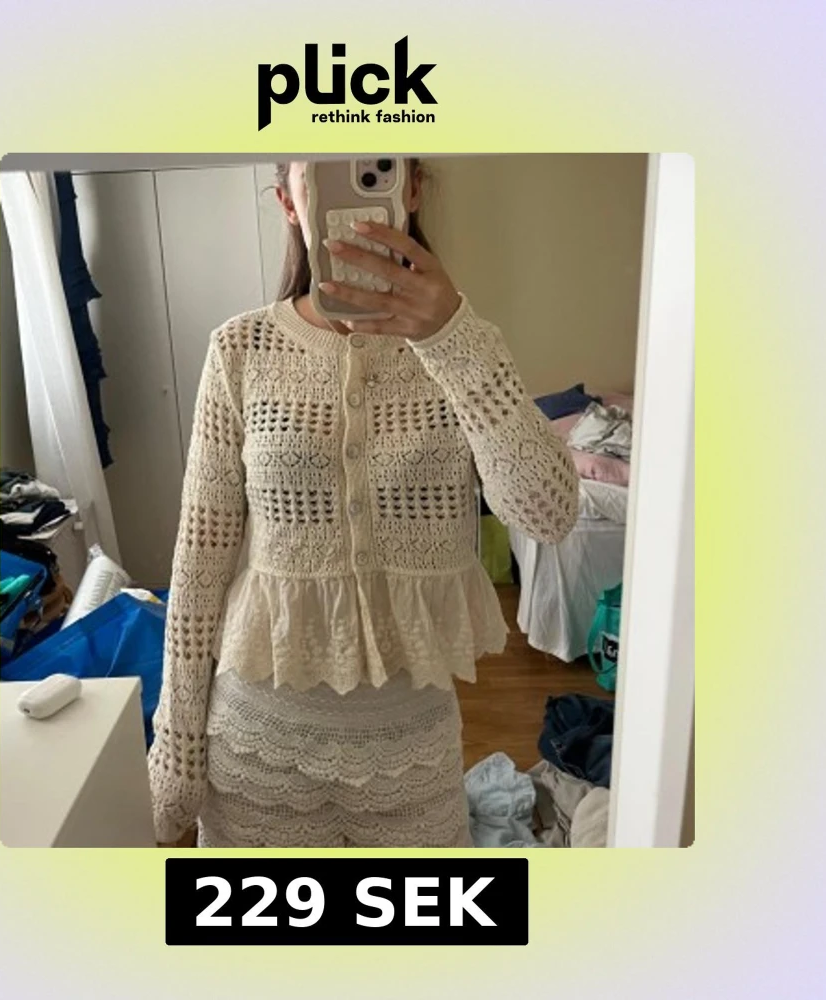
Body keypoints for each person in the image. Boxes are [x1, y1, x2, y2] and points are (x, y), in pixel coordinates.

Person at [146, 159, 580, 847]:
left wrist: (451, 337)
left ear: (411, 189)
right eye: (322, 171)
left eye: (376, 164)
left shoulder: (466, 348)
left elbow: (548, 513)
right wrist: (177, 745)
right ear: (289, 201)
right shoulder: (240, 348)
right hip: (257, 751)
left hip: (411, 752)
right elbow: (200, 562)